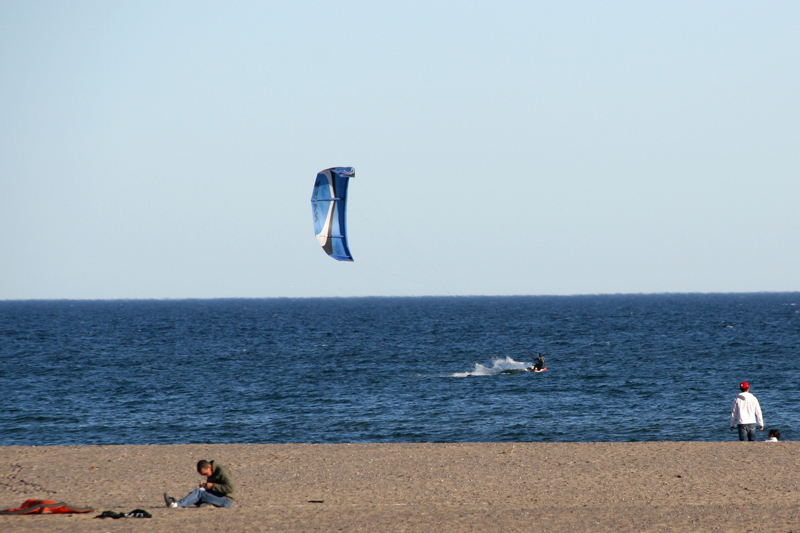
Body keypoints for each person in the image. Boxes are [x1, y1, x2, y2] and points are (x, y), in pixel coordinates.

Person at [164, 460, 235, 508]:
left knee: (199, 492)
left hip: (226, 500)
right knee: (193, 494)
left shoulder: (222, 472)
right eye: (203, 475)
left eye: (205, 474)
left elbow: (230, 488)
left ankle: (176, 504)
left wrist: (212, 486)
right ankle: (207, 504)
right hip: (217, 496)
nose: (205, 476)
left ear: (209, 467)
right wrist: (205, 486)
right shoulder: (211, 471)